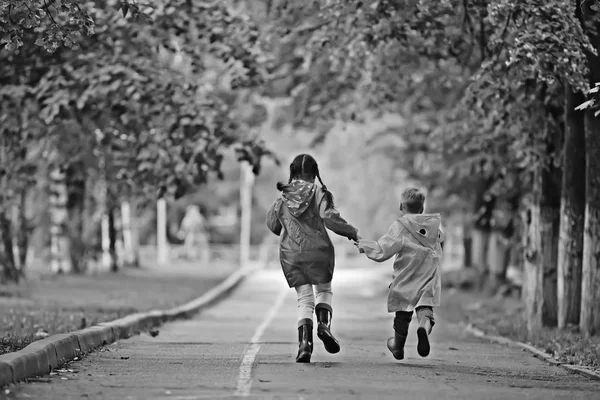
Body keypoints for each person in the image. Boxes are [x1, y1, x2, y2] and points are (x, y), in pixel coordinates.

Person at [266, 154, 360, 363]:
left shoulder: (283, 197)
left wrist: (287, 225)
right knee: (324, 291)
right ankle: (324, 326)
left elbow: (273, 225)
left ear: (293, 173)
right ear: (314, 173)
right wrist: (352, 232)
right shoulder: (319, 193)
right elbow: (330, 218)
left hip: (291, 255)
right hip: (319, 252)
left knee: (304, 299)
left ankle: (304, 345)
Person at [355, 188, 443, 360]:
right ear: (422, 209)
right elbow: (440, 243)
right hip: (428, 276)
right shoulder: (433, 226)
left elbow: (383, 249)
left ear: (401, 206)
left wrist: (363, 245)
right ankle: (424, 328)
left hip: (407, 275)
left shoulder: (401, 226)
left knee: (403, 311)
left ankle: (398, 346)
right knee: (425, 308)